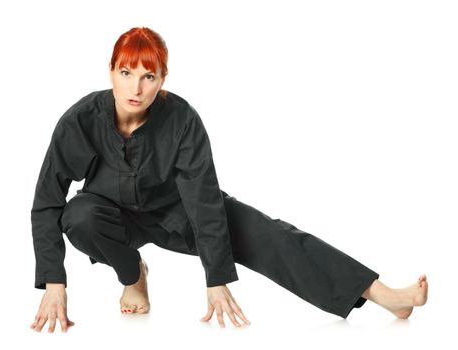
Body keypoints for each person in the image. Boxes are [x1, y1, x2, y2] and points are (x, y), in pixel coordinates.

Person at [29, 26, 428, 333]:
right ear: (111, 71)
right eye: (126, 72)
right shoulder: (81, 120)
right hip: (109, 216)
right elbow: (48, 200)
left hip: (179, 213)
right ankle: (133, 276)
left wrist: (216, 276)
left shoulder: (182, 120)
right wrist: (54, 282)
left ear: (163, 79)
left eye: (148, 76)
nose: (135, 87)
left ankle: (384, 296)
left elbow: (202, 202)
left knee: (274, 236)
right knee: (77, 215)